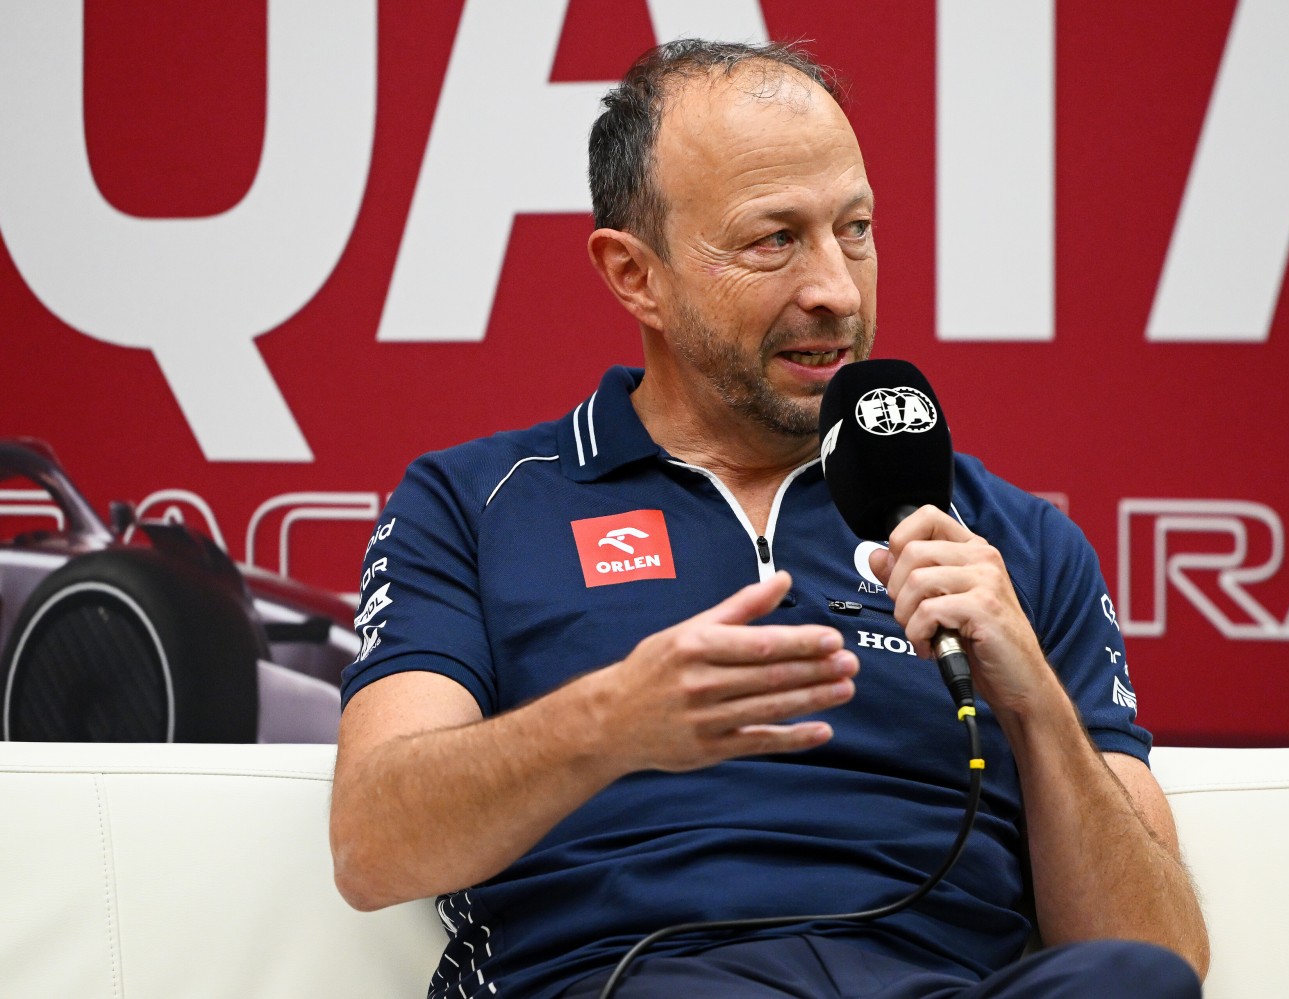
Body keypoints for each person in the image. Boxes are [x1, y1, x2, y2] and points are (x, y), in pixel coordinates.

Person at [330, 39, 1209, 999]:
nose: (836, 288)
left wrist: (1032, 699)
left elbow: (1164, 951)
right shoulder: (476, 505)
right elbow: (373, 844)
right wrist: (611, 722)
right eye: (774, 239)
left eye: (856, 229)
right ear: (636, 275)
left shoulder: (1010, 540)